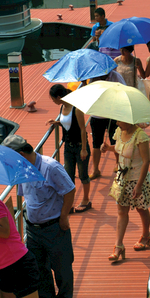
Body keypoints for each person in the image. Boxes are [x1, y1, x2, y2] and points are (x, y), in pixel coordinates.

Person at [2, 133, 77, 298]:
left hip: (54, 227)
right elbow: (27, 197)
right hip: (33, 228)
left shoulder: (50, 167)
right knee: (38, 268)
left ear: (21, 154)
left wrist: (64, 216)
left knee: (62, 267)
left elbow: (69, 190)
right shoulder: (22, 170)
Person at [102, 120, 150, 262]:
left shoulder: (140, 136)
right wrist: (108, 148)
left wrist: (139, 185)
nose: (117, 122)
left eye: (120, 120)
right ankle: (118, 245)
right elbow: (120, 148)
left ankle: (146, 235)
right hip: (122, 178)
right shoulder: (119, 131)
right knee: (121, 212)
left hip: (137, 179)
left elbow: (146, 161)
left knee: (141, 209)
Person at [47, 84, 92, 212]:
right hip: (68, 147)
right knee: (68, 176)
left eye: (53, 99)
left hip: (79, 146)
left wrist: (84, 149)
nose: (53, 101)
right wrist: (57, 122)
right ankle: (69, 203)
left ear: (59, 97)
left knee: (83, 175)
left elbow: (83, 129)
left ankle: (86, 200)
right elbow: (67, 123)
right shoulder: (63, 107)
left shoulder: (76, 108)